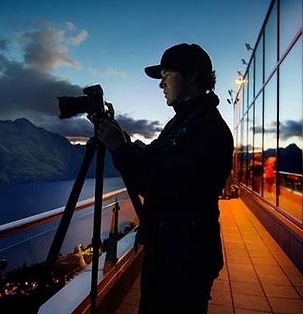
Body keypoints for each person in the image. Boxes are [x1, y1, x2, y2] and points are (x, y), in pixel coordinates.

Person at [91, 43, 234, 313]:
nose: (161, 85)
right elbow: (155, 158)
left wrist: (119, 147)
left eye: (166, 75)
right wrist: (120, 138)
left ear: (190, 75)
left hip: (185, 258)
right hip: (170, 249)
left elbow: (159, 183)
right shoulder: (184, 122)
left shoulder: (208, 130)